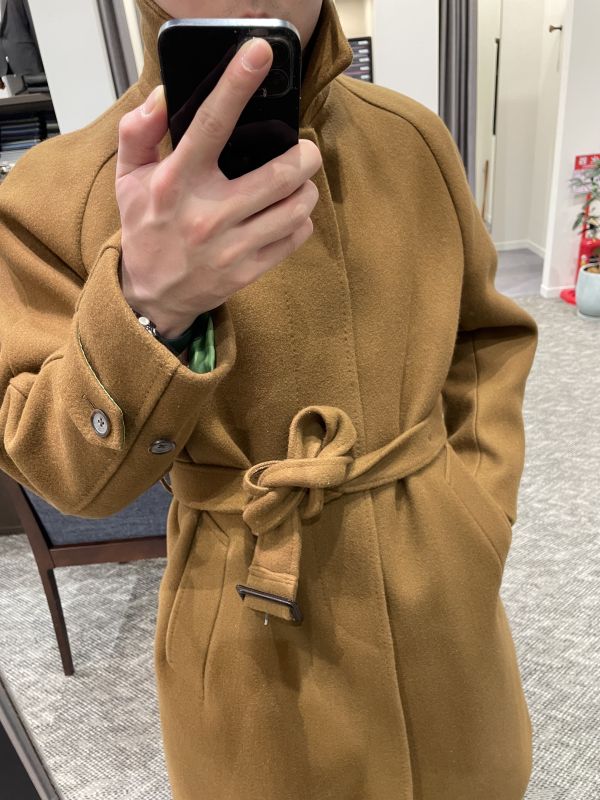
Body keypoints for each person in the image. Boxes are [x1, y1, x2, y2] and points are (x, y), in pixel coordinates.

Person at [0, 0, 539, 798]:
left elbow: (484, 340)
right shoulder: (55, 191)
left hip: (443, 608)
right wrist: (148, 306)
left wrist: (475, 515)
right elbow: (68, 477)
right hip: (248, 632)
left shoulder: (411, 138)